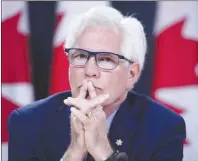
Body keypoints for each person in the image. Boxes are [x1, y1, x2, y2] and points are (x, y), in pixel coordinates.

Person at [8, 6, 186, 161]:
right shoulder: (26, 122)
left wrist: (103, 152)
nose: (89, 70)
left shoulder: (164, 127)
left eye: (106, 59)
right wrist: (73, 154)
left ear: (132, 74)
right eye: (80, 56)